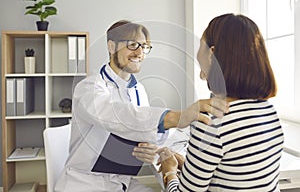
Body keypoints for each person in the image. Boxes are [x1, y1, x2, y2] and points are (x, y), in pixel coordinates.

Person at [55, 20, 228, 192]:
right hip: (86, 183)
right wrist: (175, 117)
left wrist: (154, 149)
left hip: (122, 181)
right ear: (111, 46)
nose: (140, 53)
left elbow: (145, 131)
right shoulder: (89, 87)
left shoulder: (138, 90)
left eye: (144, 47)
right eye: (132, 45)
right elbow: (115, 115)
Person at [157, 13, 284, 192]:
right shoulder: (268, 111)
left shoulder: (212, 121)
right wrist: (190, 168)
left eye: (200, 46)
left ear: (212, 54)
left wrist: (169, 171)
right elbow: (235, 177)